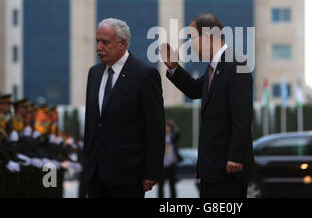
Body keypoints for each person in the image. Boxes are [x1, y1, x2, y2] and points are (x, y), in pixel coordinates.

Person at [160, 12, 254, 198]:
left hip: (229, 169)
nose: (190, 44)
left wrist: (235, 156)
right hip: (211, 168)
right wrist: (174, 68)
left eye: (191, 37)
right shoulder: (215, 66)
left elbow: (242, 118)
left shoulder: (236, 64)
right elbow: (195, 90)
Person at [83, 18, 165, 198]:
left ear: (122, 44)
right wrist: (86, 166)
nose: (99, 47)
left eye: (105, 42)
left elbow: (155, 128)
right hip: (95, 174)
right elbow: (92, 124)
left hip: (129, 175)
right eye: (97, 41)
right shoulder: (94, 73)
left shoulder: (145, 75)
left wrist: (152, 172)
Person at [158, 120, 182, 198]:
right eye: (166, 128)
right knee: (160, 186)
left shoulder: (172, 137)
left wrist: (174, 125)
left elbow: (178, 134)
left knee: (172, 185)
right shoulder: (160, 138)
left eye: (168, 128)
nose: (167, 130)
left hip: (171, 165)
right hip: (162, 165)